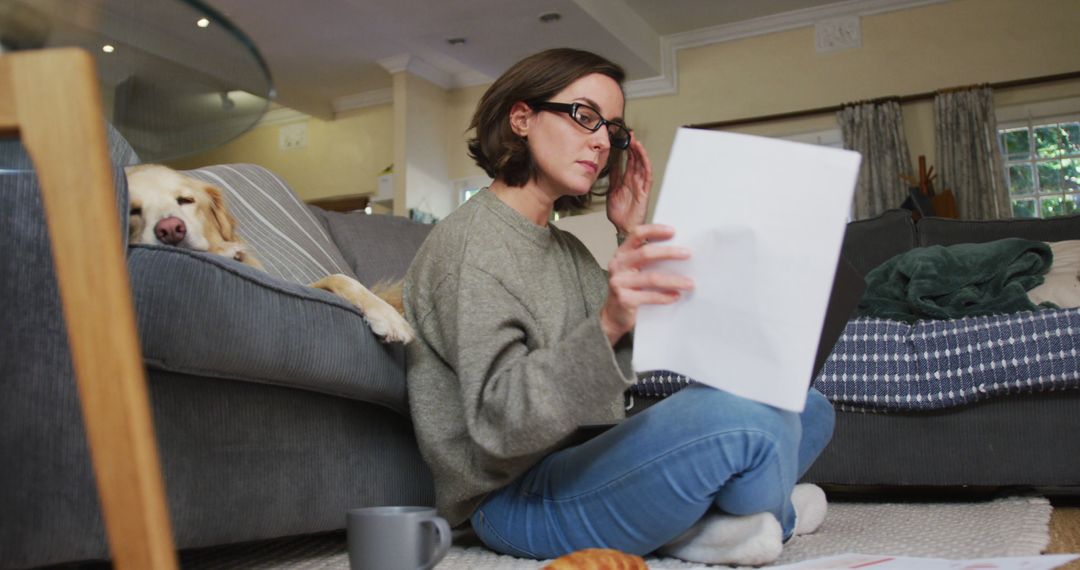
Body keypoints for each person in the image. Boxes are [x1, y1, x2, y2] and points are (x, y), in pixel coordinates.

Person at [403, 47, 835, 565]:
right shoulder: (471, 249)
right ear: (521, 118)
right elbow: (501, 429)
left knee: (806, 406)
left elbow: (626, 357)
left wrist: (630, 233)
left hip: (584, 461)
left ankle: (704, 525)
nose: (603, 142)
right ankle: (741, 519)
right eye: (585, 116)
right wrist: (608, 321)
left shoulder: (565, 249)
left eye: (613, 129)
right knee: (744, 423)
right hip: (511, 500)